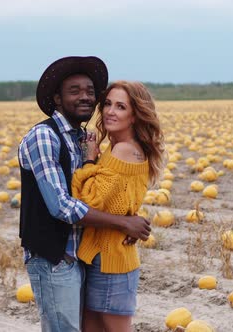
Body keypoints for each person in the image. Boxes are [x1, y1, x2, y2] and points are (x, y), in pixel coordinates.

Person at [18, 56, 152, 332]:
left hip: (80, 257)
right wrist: (124, 222)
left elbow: (107, 191)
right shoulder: (45, 136)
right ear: (57, 98)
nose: (86, 98)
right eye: (75, 91)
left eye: (91, 92)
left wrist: (126, 215)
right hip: (54, 258)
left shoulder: (80, 138)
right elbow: (63, 208)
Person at [72, 81, 165, 332]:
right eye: (108, 104)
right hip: (104, 256)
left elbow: (86, 203)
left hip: (112, 261)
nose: (111, 111)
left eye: (121, 106)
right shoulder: (119, 147)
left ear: (135, 115)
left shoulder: (123, 150)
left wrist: (89, 159)